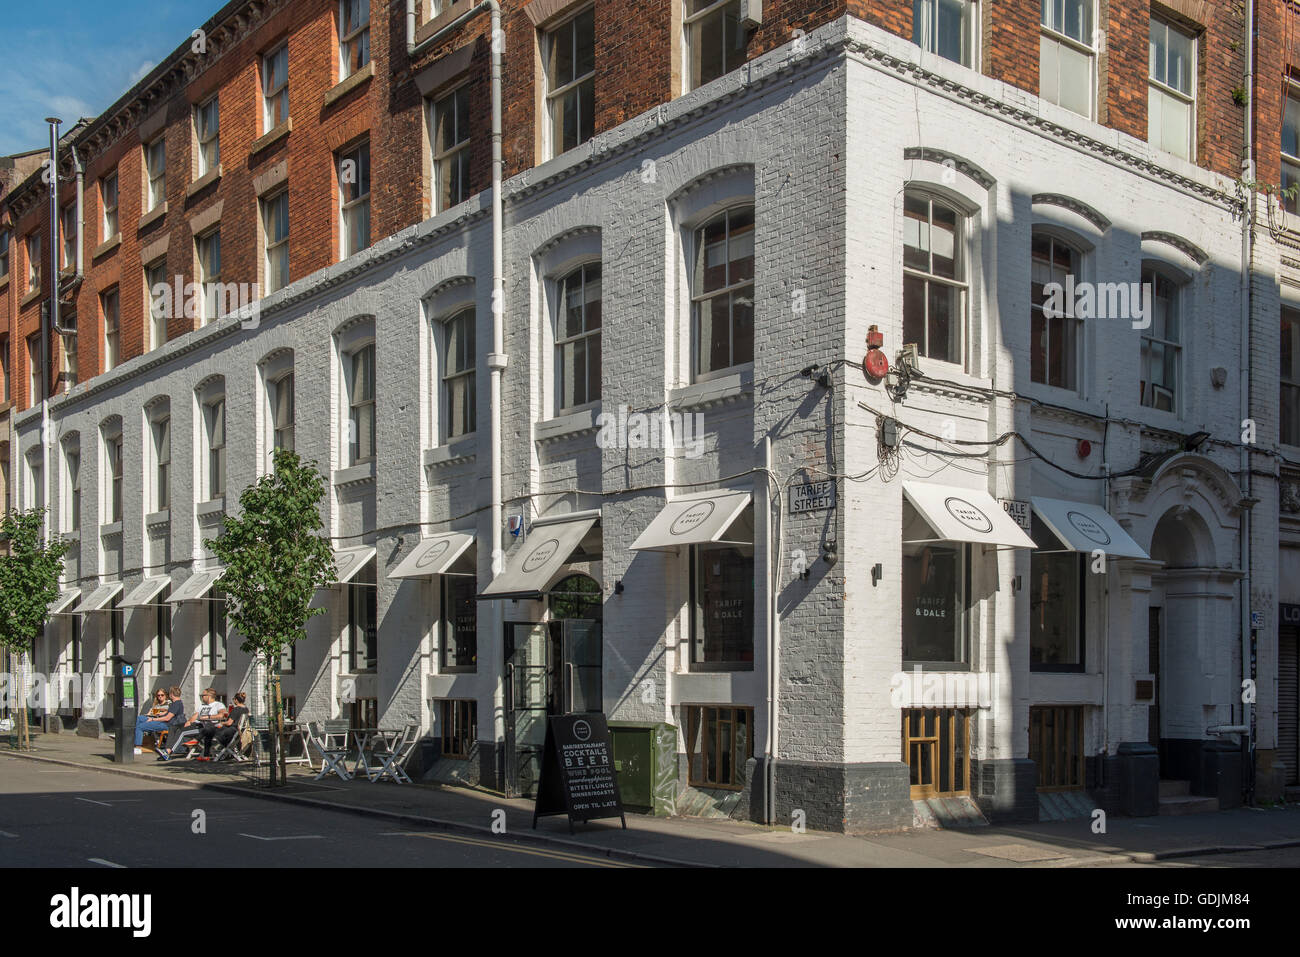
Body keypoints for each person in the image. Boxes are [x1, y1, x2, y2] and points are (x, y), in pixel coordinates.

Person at [158, 688, 225, 760]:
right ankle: (167, 749)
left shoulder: (218, 705)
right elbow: (195, 716)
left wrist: (208, 717)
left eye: (203, 695)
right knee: (173, 727)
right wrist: (189, 721)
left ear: (208, 696)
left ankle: (168, 752)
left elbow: (222, 715)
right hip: (197, 725)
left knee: (181, 731)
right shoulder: (202, 706)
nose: (202, 697)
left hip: (206, 728)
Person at [198, 692, 249, 760]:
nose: (233, 701)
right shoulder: (246, 709)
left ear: (236, 700)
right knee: (209, 730)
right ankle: (205, 752)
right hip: (238, 733)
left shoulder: (236, 709)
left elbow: (229, 723)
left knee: (208, 731)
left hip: (230, 732)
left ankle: (205, 754)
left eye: (234, 699)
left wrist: (222, 723)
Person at [134, 686, 185, 754]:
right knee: (139, 718)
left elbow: (168, 718)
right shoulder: (175, 703)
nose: (160, 696)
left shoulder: (175, 704)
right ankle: (133, 740)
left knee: (140, 727)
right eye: (158, 695)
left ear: (171, 694)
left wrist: (153, 719)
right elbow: (166, 713)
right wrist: (154, 715)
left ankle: (138, 747)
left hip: (166, 724)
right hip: (161, 719)